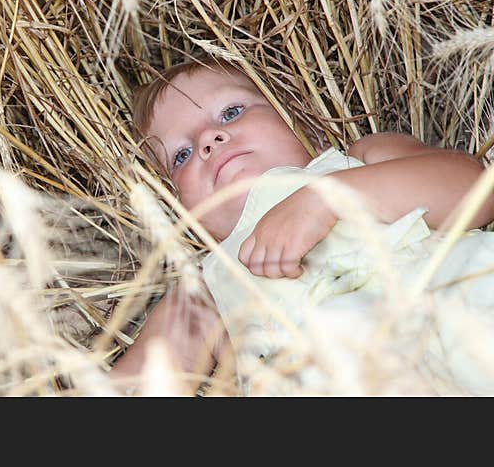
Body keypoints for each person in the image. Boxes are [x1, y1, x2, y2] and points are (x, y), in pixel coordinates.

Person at [109, 58, 494, 394]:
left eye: (231, 113)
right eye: (181, 155)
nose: (208, 140)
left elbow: (476, 191)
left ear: (296, 117)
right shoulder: (209, 284)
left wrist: (328, 197)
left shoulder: (357, 160)